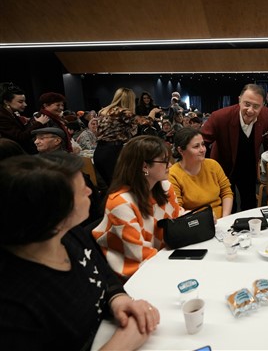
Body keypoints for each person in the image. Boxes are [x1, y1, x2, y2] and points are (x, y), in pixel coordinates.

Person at [0, 153, 159, 350]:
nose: (89, 191)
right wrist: (120, 345)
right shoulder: (13, 307)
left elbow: (103, 274)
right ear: (53, 211)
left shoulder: (69, 234)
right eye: (80, 189)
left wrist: (118, 300)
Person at [93, 135, 181, 281]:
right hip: (137, 275)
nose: (170, 165)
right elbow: (140, 253)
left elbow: (178, 219)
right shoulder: (120, 202)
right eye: (165, 161)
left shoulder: (165, 187)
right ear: (145, 167)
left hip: (164, 259)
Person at [201, 84, 268, 211]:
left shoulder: (265, 115)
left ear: (262, 106)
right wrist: (203, 169)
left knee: (249, 203)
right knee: (228, 206)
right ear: (239, 100)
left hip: (248, 166)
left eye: (256, 106)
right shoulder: (220, 117)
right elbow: (201, 142)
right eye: (247, 104)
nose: (250, 110)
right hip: (223, 167)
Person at [169, 128, 233, 219]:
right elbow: (177, 209)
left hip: (221, 219)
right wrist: (203, 218)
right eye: (196, 146)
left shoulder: (213, 165)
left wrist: (225, 217)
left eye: (203, 144)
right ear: (180, 150)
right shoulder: (173, 174)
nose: (202, 150)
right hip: (194, 223)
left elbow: (226, 192)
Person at [94, 87, 150, 187]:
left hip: (99, 151)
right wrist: (153, 112)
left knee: (110, 186)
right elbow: (145, 122)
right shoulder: (123, 113)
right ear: (129, 100)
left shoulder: (104, 111)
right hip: (112, 153)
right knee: (118, 187)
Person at [0, 82, 49, 153]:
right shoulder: (2, 116)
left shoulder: (11, 113)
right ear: (6, 102)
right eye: (20, 102)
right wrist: (38, 123)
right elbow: (20, 137)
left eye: (24, 101)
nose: (25, 104)